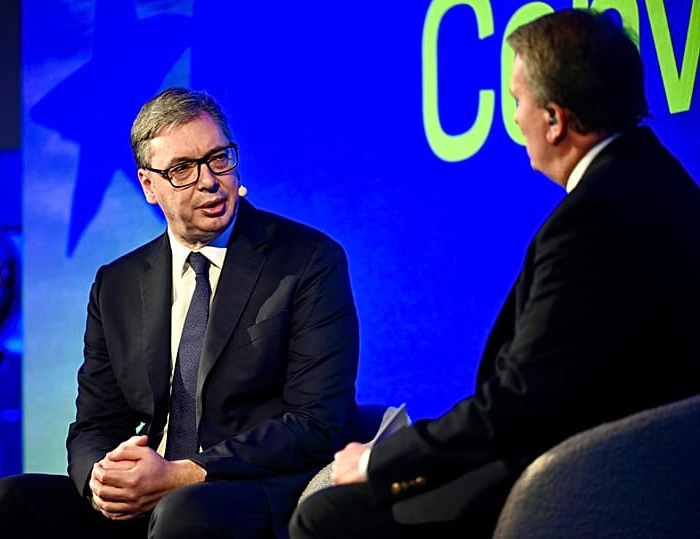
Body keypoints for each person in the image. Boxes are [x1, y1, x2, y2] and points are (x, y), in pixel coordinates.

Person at [290, 8, 700, 538]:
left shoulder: (592, 221)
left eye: (517, 100)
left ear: (555, 120)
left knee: (325, 515)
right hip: (638, 466)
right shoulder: (664, 181)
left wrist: (380, 461)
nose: (517, 118)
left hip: (580, 479)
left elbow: (520, 401)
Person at [0, 87, 359, 539]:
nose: (209, 180)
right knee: (5, 504)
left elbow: (316, 422)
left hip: (246, 488)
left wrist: (182, 474)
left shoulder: (307, 261)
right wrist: (102, 482)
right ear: (148, 185)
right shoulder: (117, 283)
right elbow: (96, 423)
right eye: (182, 169)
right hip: (149, 494)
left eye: (219, 158)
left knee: (182, 513)